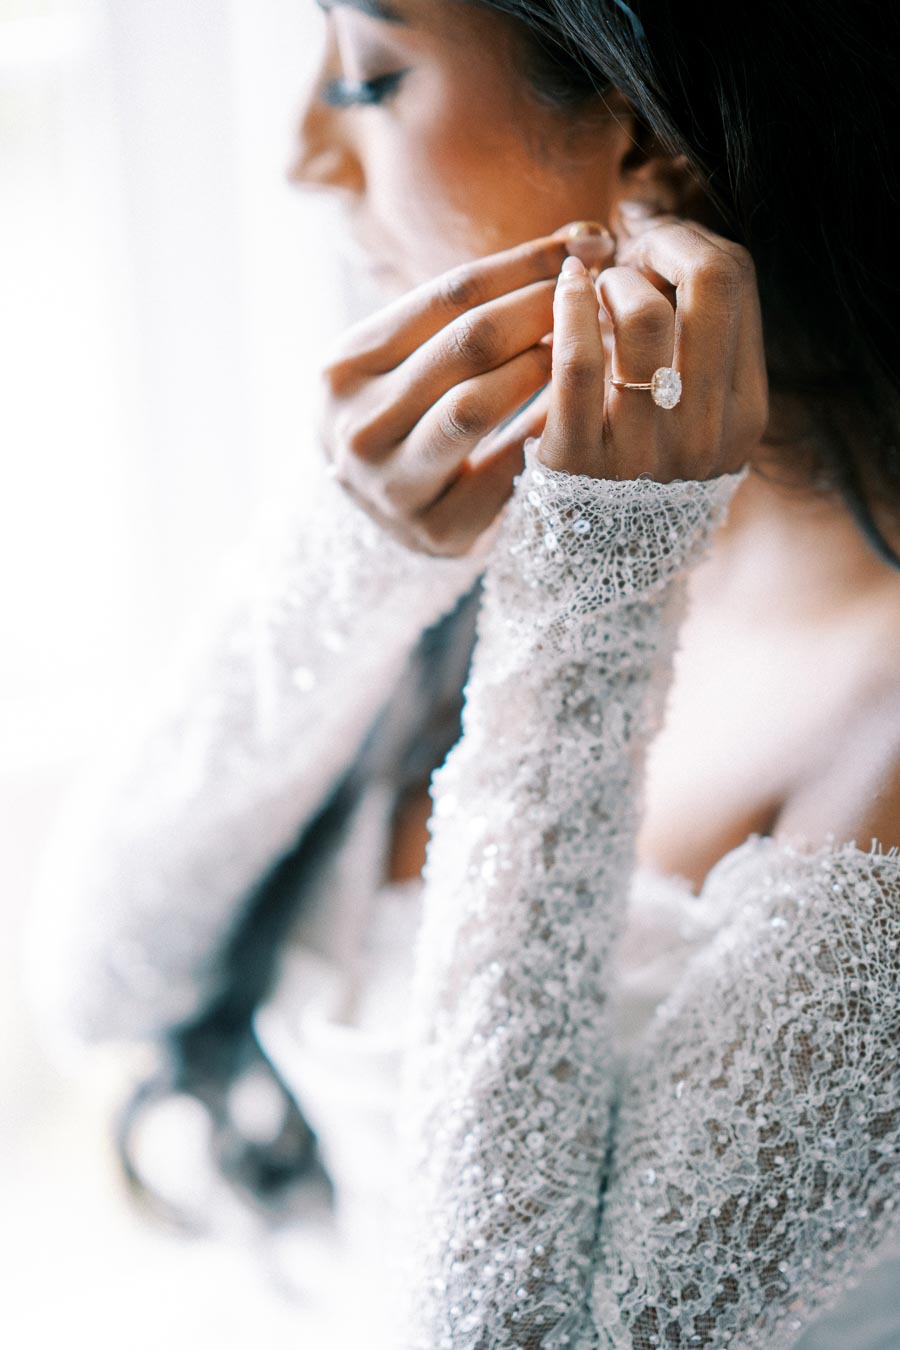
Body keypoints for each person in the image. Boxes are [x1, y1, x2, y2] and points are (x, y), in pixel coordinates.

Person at [27, 1, 900, 1347]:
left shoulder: (866, 718)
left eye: (371, 78)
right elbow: (97, 973)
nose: (305, 157)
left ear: (654, 154)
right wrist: (358, 552)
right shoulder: (471, 510)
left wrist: (598, 588)